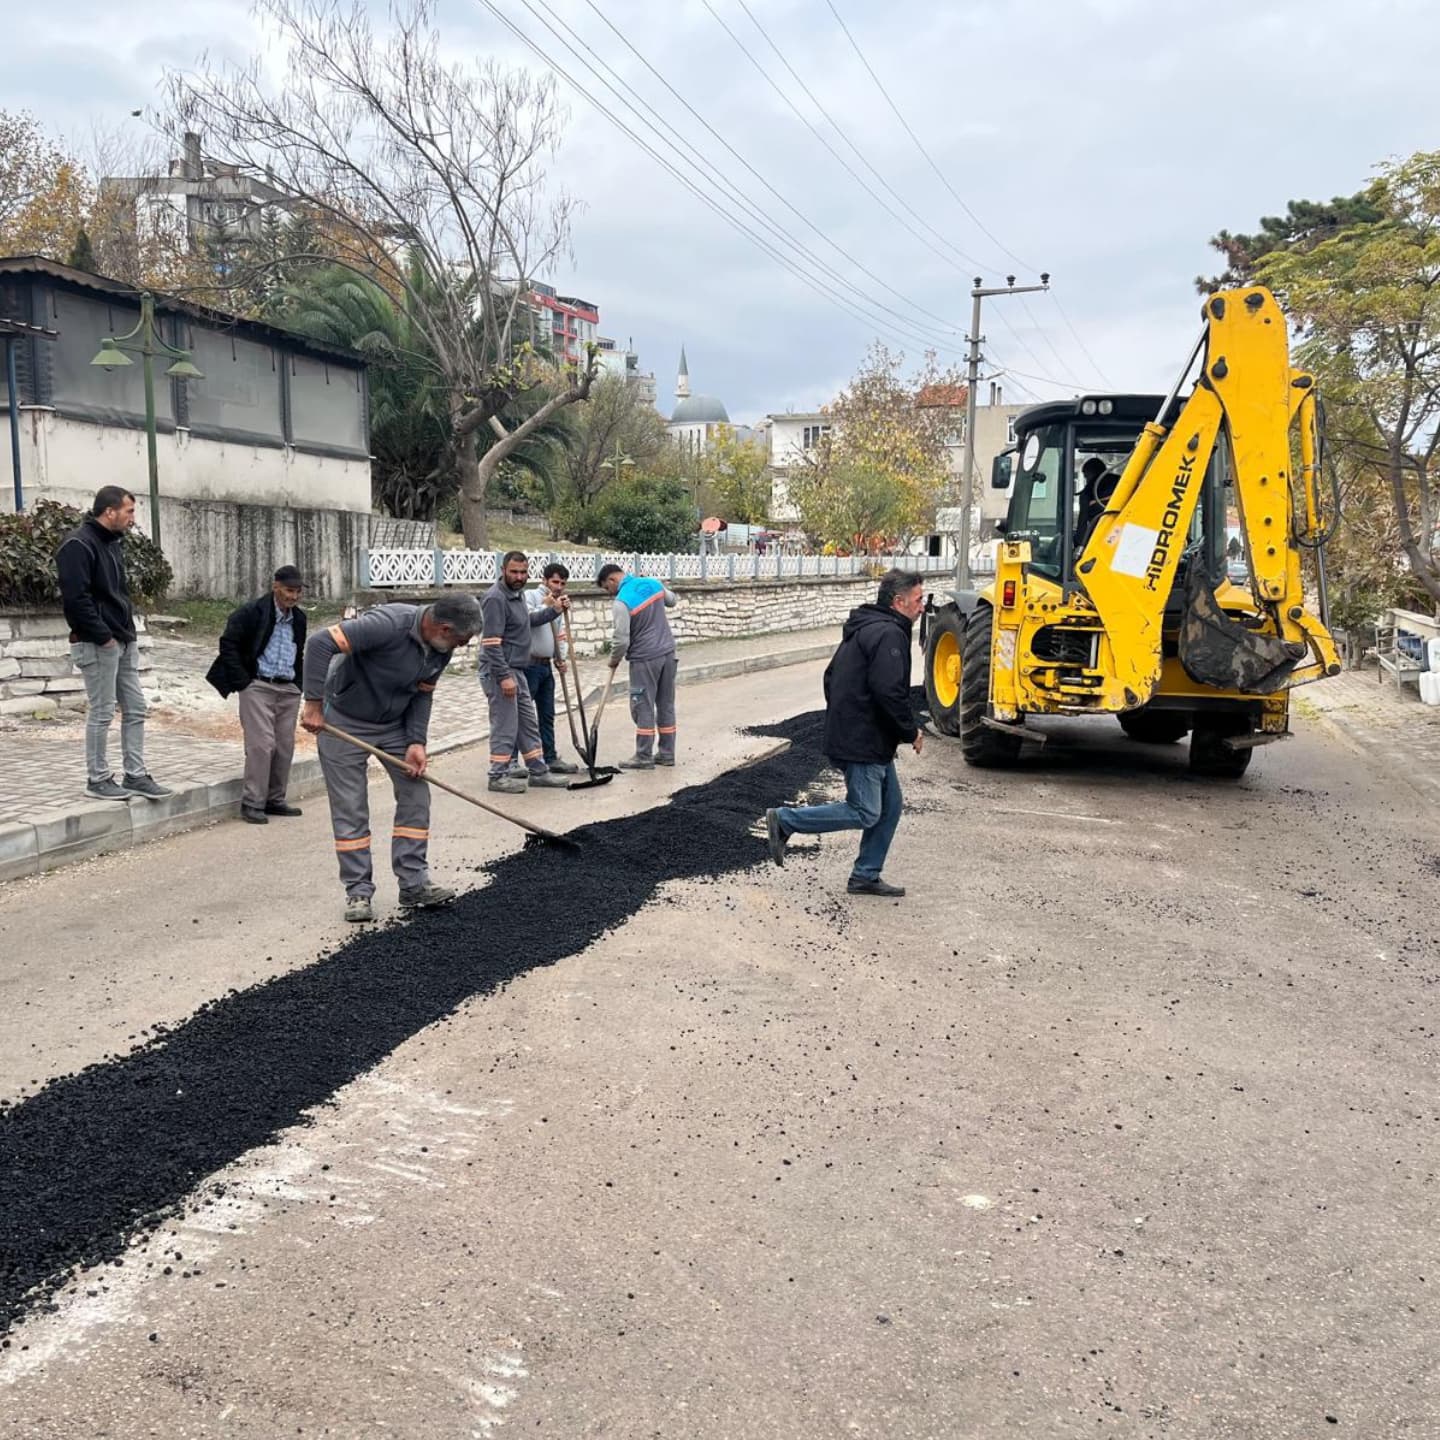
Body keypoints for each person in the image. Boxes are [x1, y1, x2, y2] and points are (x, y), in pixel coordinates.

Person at [300, 594, 481, 923]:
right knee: (350, 806)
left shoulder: (441, 647)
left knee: (416, 794)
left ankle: (413, 884)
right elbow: (318, 644)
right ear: (443, 627)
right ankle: (358, 891)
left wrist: (416, 741)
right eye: (462, 639)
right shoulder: (388, 625)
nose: (463, 646)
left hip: (395, 726)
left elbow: (423, 694)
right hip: (344, 719)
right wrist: (313, 703)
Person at [764, 569, 925, 898]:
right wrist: (910, 731)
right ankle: (785, 821)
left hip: (864, 735)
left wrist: (846, 715)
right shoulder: (890, 634)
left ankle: (866, 874)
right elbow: (889, 692)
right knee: (866, 811)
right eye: (919, 600)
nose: (922, 606)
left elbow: (830, 676)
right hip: (863, 739)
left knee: (890, 806)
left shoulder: (865, 628)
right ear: (899, 601)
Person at [56, 485, 172, 803]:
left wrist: (127, 635)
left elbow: (117, 594)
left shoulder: (112, 543)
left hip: (122, 640)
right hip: (98, 644)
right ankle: (97, 779)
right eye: (129, 511)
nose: (132, 518)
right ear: (110, 511)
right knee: (103, 711)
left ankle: (135, 775)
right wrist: (104, 638)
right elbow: (76, 600)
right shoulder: (78, 545)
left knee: (135, 707)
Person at [205, 565, 308, 825]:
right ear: (275, 586)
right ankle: (252, 802)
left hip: (288, 689)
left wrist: (299, 684)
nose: (293, 597)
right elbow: (228, 644)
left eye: (297, 592)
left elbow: (300, 652)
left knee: (284, 747)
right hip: (258, 686)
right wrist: (244, 682)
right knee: (261, 746)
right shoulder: (251, 612)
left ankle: (275, 799)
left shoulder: (300, 618)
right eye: (288, 590)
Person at [479, 551, 573, 795]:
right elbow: (491, 643)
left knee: (528, 723)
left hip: (518, 668)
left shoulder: (517, 595)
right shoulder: (495, 599)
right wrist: (504, 677)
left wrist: (555, 611)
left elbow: (528, 622)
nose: (519, 576)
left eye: (523, 572)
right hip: (501, 671)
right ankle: (497, 776)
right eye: (514, 572)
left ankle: (538, 772)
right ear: (503, 570)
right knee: (505, 725)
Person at [597, 562, 679, 770]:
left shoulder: (622, 601)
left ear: (612, 580)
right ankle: (667, 754)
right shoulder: (652, 583)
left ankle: (643, 756)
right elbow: (672, 601)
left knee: (642, 706)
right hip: (668, 654)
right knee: (666, 704)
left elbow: (621, 639)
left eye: (607, 588)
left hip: (644, 658)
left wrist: (614, 659)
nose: (609, 593)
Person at [510, 561, 578, 775]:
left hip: (546, 666)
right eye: (555, 582)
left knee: (547, 714)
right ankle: (510, 761)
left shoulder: (558, 602)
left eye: (562, 583)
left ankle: (549, 757)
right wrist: (547, 605)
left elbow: (558, 634)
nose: (558, 587)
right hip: (528, 665)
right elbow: (529, 621)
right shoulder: (529, 596)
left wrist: (561, 657)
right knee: (520, 715)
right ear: (545, 580)